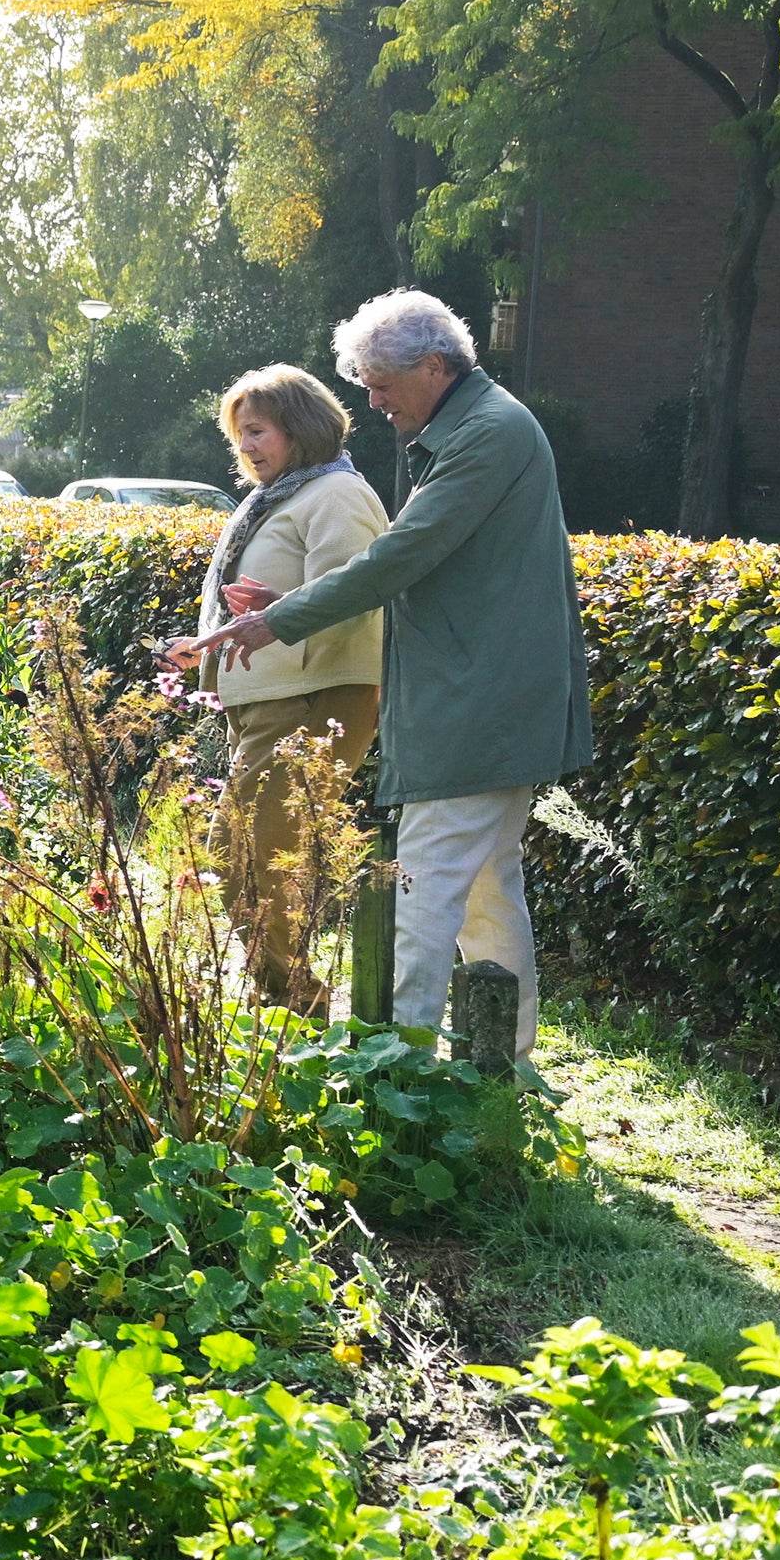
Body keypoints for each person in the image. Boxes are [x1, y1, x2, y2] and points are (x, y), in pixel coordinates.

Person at [200, 289, 590, 1056]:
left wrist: (275, 618)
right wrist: (287, 601)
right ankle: (497, 1065)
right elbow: (425, 568)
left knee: (423, 887)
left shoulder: (486, 431)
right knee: (485, 892)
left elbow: (399, 556)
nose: (371, 401)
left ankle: (397, 1068)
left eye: (380, 381)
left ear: (435, 365)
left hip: (476, 702)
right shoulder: (474, 426)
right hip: (483, 694)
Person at [157, 364, 386, 1014]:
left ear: (299, 426)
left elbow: (352, 597)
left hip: (313, 703)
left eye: (256, 430)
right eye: (239, 437)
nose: (247, 448)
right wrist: (204, 643)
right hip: (272, 705)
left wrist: (272, 608)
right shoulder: (286, 496)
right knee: (245, 860)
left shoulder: (336, 496)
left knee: (248, 863)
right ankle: (290, 1008)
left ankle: (301, 1012)